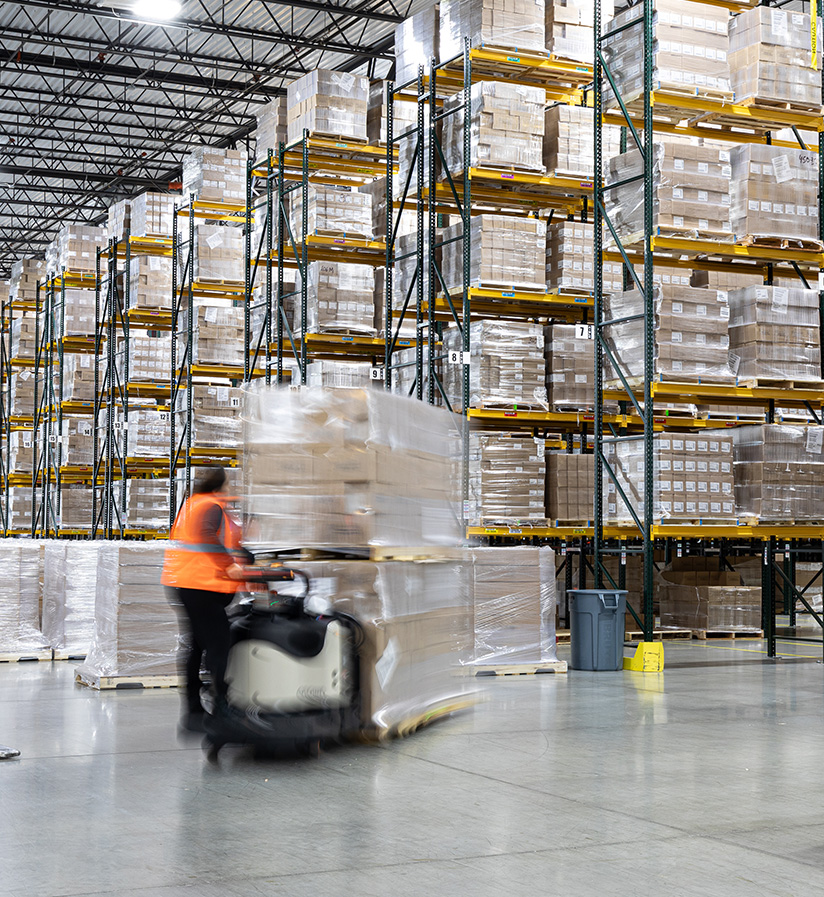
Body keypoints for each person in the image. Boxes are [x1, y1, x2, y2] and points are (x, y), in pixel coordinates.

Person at [162, 467, 249, 732]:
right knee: (218, 645)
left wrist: (243, 556)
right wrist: (228, 565)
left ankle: (193, 712)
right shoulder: (211, 506)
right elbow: (206, 535)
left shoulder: (195, 503)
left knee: (197, 645)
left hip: (186, 584)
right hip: (201, 586)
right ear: (221, 485)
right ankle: (221, 707)